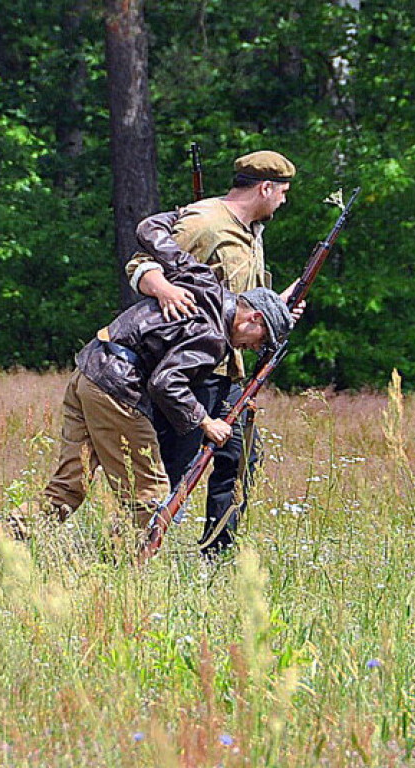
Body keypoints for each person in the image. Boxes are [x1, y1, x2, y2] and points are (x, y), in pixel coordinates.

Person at [4, 250, 293, 545]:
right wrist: (206, 422)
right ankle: (118, 567)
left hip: (90, 371)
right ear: (254, 318)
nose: (250, 347)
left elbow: (154, 232)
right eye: (259, 340)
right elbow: (165, 382)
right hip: (117, 390)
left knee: (69, 486)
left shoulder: (205, 286)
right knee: (149, 495)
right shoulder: (215, 338)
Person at [125, 150, 299, 556]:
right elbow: (141, 263)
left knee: (239, 458)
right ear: (265, 188)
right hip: (189, 366)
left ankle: (217, 556)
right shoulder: (205, 221)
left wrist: (280, 307)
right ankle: (134, 553)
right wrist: (164, 289)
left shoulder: (252, 231)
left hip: (230, 368)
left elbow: (241, 299)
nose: (284, 202)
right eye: (282, 193)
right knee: (177, 466)